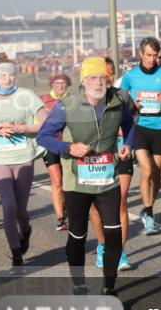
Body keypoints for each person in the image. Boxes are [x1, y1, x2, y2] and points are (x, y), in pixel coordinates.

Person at [38, 56, 136, 296]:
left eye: (102, 77)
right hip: (77, 181)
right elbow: (44, 136)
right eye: (93, 78)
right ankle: (79, 284)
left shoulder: (119, 99)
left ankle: (109, 289)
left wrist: (128, 145)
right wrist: (68, 148)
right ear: (83, 81)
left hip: (107, 179)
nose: (98, 82)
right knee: (78, 235)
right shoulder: (68, 105)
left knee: (113, 233)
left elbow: (131, 124)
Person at [0, 62, 47, 266]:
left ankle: (25, 230)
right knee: (8, 206)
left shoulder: (26, 95)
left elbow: (45, 121)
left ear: (16, 76)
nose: (7, 78)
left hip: (23, 157)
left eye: (11, 75)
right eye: (3, 75)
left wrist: (23, 128)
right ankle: (15, 252)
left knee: (21, 211)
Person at [118, 37, 161, 235]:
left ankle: (147, 206)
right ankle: (150, 215)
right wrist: (131, 105)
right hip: (139, 126)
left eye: (156, 55)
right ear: (141, 54)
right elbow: (121, 97)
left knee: (157, 174)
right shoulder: (131, 75)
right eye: (149, 55)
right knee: (147, 170)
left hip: (159, 126)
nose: (152, 59)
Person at [89, 57, 135, 271]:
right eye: (102, 73)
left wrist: (128, 143)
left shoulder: (123, 97)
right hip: (97, 159)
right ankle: (101, 245)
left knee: (121, 202)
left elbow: (132, 124)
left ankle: (120, 252)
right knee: (96, 208)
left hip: (120, 155)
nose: (106, 77)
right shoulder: (88, 98)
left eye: (110, 72)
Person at [39, 74, 72, 231]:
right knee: (57, 181)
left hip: (68, 144)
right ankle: (60, 218)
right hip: (50, 145)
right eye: (57, 83)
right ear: (52, 84)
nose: (60, 86)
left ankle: (70, 207)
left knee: (69, 180)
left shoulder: (73, 100)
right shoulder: (43, 100)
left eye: (63, 83)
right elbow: (36, 121)